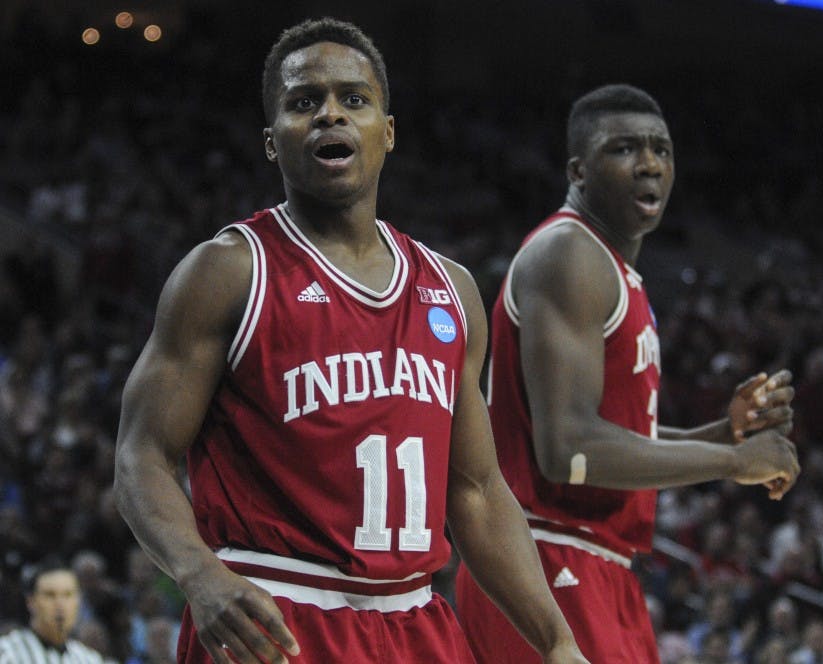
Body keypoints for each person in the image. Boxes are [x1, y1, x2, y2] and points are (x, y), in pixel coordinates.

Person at [113, 17, 586, 664]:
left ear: (386, 132)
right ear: (272, 142)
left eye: (353, 99)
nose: (329, 114)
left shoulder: (451, 289)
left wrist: (557, 641)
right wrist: (199, 574)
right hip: (273, 614)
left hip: (415, 621)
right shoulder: (228, 272)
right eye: (304, 102)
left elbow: (475, 491)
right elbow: (141, 454)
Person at [455, 84, 800, 663]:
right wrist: (734, 462)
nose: (649, 164)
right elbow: (568, 450)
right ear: (578, 171)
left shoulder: (613, 269)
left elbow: (609, 437)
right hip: (544, 559)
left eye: (661, 149)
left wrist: (723, 435)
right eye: (624, 148)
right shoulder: (570, 253)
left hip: (595, 564)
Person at [0, 559, 108, 663]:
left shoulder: (89, 659)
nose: (60, 604)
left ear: (78, 601)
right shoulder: (7, 652)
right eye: (50, 595)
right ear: (31, 602)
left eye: (68, 595)